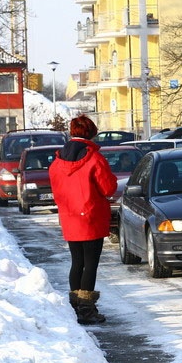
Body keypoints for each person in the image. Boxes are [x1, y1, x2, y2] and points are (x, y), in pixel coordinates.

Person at [49, 115, 118, 324]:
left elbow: (56, 191)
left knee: (77, 261)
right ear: (91, 133)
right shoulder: (95, 159)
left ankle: (76, 305)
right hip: (91, 217)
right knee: (91, 263)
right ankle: (87, 309)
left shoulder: (57, 162)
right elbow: (109, 188)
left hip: (70, 217)